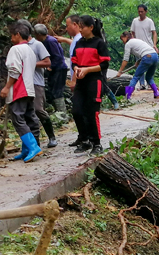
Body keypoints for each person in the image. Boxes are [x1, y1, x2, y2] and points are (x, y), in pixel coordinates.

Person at [1, 23, 43, 162]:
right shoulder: (29, 50)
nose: (11, 38)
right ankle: (26, 150)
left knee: (18, 119)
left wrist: (7, 87)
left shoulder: (15, 49)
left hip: (20, 89)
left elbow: (14, 70)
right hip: (30, 89)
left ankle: (33, 147)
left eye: (12, 35)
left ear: (17, 34)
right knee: (29, 117)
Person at [69, 15, 110, 156]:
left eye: (82, 27)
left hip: (95, 80)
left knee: (92, 113)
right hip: (81, 81)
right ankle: (84, 139)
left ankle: (96, 143)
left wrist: (87, 69)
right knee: (77, 111)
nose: (80, 30)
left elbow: (105, 64)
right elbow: (74, 61)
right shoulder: (79, 43)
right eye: (79, 27)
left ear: (91, 27)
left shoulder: (99, 43)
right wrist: (76, 69)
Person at [18, 22, 57, 148]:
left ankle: (51, 136)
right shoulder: (18, 46)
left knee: (39, 110)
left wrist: (31, 63)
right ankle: (33, 143)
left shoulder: (37, 45)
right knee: (26, 113)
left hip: (36, 82)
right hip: (23, 83)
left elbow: (47, 62)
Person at [56, 15, 86, 144]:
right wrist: (63, 39)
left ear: (75, 25)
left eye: (67, 25)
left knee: (79, 110)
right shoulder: (76, 39)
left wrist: (74, 80)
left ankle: (85, 137)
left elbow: (78, 62)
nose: (66, 28)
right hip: (78, 77)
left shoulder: (80, 40)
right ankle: (82, 136)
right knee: (78, 109)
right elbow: (73, 43)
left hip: (78, 78)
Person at [33, 24, 67, 114]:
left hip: (59, 69)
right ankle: (58, 112)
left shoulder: (50, 41)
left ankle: (62, 113)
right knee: (52, 90)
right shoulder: (44, 42)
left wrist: (50, 67)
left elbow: (58, 57)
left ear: (38, 34)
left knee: (57, 91)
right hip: (54, 69)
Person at [119, 31, 159, 100]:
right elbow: (145, 50)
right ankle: (156, 93)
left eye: (122, 39)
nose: (122, 41)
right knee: (149, 77)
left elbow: (125, 59)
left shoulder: (128, 44)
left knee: (136, 77)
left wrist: (120, 71)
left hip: (147, 57)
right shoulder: (137, 40)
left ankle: (127, 96)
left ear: (126, 37)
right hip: (155, 56)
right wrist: (138, 62)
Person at [129, 4, 158, 90]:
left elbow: (154, 33)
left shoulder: (149, 21)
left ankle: (149, 82)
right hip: (138, 48)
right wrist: (133, 41)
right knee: (139, 66)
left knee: (149, 65)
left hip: (148, 47)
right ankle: (142, 84)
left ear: (146, 12)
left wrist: (154, 45)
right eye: (139, 11)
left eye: (142, 11)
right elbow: (132, 32)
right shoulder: (135, 21)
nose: (140, 13)